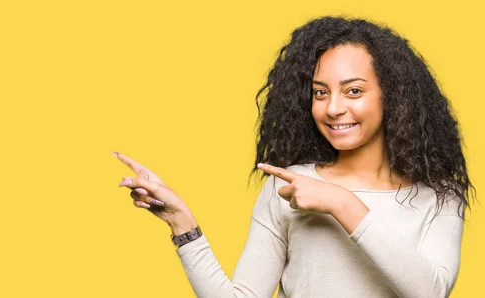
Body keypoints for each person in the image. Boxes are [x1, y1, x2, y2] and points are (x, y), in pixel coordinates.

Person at [113, 16, 475, 298]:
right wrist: (183, 226)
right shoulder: (287, 187)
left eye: (353, 91)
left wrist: (342, 203)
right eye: (320, 92)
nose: (334, 108)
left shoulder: (440, 197)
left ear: (392, 96)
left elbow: (431, 291)